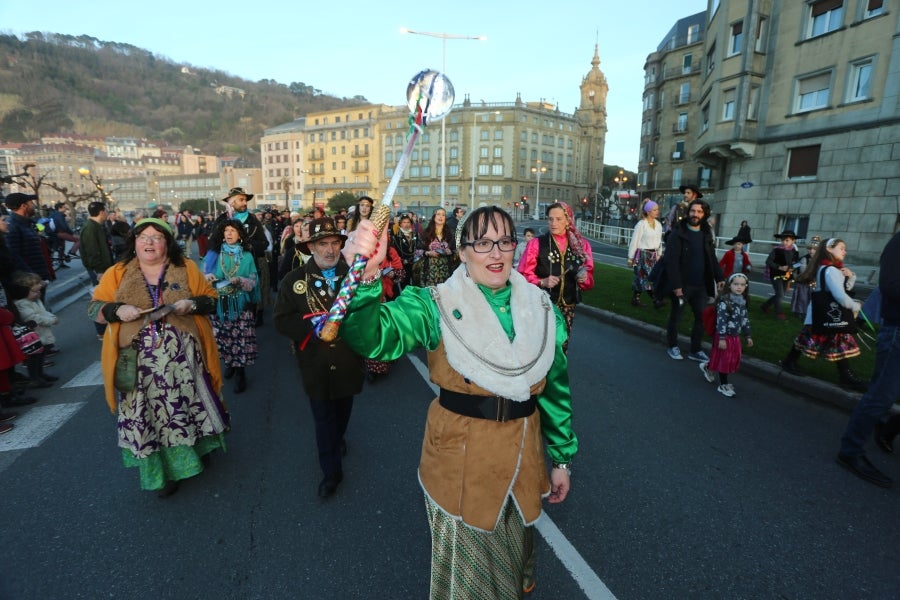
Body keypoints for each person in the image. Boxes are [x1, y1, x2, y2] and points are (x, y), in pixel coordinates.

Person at [340, 205, 577, 598]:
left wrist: (562, 458)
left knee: (514, 566)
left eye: (504, 241)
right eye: (482, 243)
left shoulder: (541, 308)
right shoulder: (432, 303)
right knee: (472, 587)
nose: (496, 253)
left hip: (523, 458)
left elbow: (555, 390)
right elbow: (374, 339)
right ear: (461, 251)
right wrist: (365, 277)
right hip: (459, 464)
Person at [88, 217, 227, 497]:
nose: (149, 242)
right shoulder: (117, 272)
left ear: (167, 243)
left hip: (185, 361)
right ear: (134, 243)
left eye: (157, 237)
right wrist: (116, 311)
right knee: (150, 417)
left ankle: (200, 447)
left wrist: (192, 303)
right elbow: (94, 309)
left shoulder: (185, 267)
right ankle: (163, 473)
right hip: (139, 366)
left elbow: (212, 299)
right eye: (143, 237)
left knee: (191, 405)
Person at [273, 217, 364, 499]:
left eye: (334, 243)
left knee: (343, 410)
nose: (329, 249)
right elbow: (281, 320)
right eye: (322, 243)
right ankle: (331, 471)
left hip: (349, 360)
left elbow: (369, 312)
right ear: (311, 246)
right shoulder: (294, 280)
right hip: (314, 363)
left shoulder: (354, 276)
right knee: (323, 418)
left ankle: (338, 439)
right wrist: (313, 329)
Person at [835, 231, 899, 488]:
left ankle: (887, 428)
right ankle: (850, 451)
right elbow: (891, 286)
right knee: (881, 396)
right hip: (897, 331)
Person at [778, 238, 868, 392]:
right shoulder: (831, 270)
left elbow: (844, 288)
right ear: (829, 249)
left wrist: (850, 276)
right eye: (841, 248)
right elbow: (840, 295)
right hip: (826, 313)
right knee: (834, 340)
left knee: (812, 338)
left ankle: (790, 361)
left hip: (822, 313)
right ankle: (846, 376)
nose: (844, 251)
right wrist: (855, 306)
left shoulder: (832, 269)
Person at [518, 201, 595, 353]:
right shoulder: (536, 244)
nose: (553, 223)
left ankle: (557, 376)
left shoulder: (581, 246)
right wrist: (541, 281)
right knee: (539, 347)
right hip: (542, 305)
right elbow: (522, 275)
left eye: (558, 219)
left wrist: (584, 279)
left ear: (568, 220)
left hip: (567, 306)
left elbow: (589, 280)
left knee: (561, 347)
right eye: (550, 219)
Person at [662, 198, 725, 362]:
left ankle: (695, 350)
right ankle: (672, 345)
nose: (695, 214)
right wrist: (676, 285)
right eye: (693, 211)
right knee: (676, 316)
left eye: (699, 212)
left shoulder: (705, 233)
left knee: (701, 318)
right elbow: (671, 260)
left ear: (704, 214)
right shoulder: (678, 232)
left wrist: (719, 277)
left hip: (701, 285)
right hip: (682, 285)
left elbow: (711, 257)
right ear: (688, 212)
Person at [203, 220, 260, 394]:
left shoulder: (247, 256)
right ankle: (230, 363)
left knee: (240, 339)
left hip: (241, 304)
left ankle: (240, 373)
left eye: (233, 231)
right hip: (220, 303)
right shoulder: (215, 254)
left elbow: (254, 281)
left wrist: (241, 280)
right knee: (224, 337)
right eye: (226, 230)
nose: (228, 234)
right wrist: (209, 276)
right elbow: (203, 274)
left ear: (240, 234)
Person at [209, 188, 269, 326]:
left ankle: (252, 319)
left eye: (245, 200)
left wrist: (244, 245)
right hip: (224, 266)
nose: (244, 203)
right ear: (232, 202)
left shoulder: (253, 220)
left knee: (246, 306)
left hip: (248, 264)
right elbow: (212, 243)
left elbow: (263, 243)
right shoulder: (222, 219)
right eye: (241, 200)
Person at [699, 273, 753, 397]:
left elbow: (745, 320)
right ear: (729, 285)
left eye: (742, 285)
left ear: (746, 286)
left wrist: (748, 335)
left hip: (735, 337)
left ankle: (708, 367)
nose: (739, 287)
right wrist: (722, 338)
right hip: (724, 336)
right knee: (725, 360)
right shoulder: (725, 302)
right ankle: (723, 385)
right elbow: (721, 321)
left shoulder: (742, 302)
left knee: (728, 358)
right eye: (736, 284)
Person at [4, 193, 54, 286]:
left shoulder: (28, 223)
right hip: (30, 282)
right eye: (31, 203)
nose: (34, 206)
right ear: (24, 206)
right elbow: (14, 256)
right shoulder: (13, 226)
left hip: (38, 277)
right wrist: (33, 277)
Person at [627, 200, 663, 307]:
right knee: (647, 278)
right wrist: (630, 257)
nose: (657, 212)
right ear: (648, 211)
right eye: (654, 210)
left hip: (654, 255)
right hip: (643, 255)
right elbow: (635, 241)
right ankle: (656, 300)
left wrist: (659, 254)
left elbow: (659, 241)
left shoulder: (658, 225)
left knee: (643, 278)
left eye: (657, 209)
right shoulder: (641, 224)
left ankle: (635, 299)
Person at [760, 229, 800, 320]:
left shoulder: (794, 251)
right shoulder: (776, 250)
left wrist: (792, 268)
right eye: (783, 240)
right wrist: (779, 267)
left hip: (786, 275)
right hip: (775, 274)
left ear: (793, 241)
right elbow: (768, 261)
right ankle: (778, 313)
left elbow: (796, 263)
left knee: (782, 293)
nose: (784, 242)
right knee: (780, 294)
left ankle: (765, 305)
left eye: (787, 240)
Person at [412, 208, 457, 287]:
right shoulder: (426, 233)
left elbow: (457, 250)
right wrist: (427, 253)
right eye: (438, 214)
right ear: (433, 217)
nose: (441, 217)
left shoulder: (451, 233)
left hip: (447, 269)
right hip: (429, 270)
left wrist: (450, 251)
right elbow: (417, 251)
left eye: (443, 215)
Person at [790, 236, 820, 319]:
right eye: (810, 249)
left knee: (812, 299)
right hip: (803, 282)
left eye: (814, 249)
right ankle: (800, 312)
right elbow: (798, 269)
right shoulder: (804, 259)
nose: (811, 251)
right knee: (802, 298)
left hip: (814, 283)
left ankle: (810, 313)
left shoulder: (820, 260)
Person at [390, 213, 418, 288]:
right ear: (400, 224)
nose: (406, 224)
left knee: (415, 285)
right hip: (402, 265)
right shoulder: (396, 237)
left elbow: (418, 247)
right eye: (404, 222)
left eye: (408, 222)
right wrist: (402, 260)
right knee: (404, 286)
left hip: (414, 264)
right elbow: (394, 253)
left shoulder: (415, 235)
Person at [277, 218, 309, 283]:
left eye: (301, 226)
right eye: (296, 226)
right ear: (293, 227)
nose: (299, 229)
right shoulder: (289, 241)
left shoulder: (310, 242)